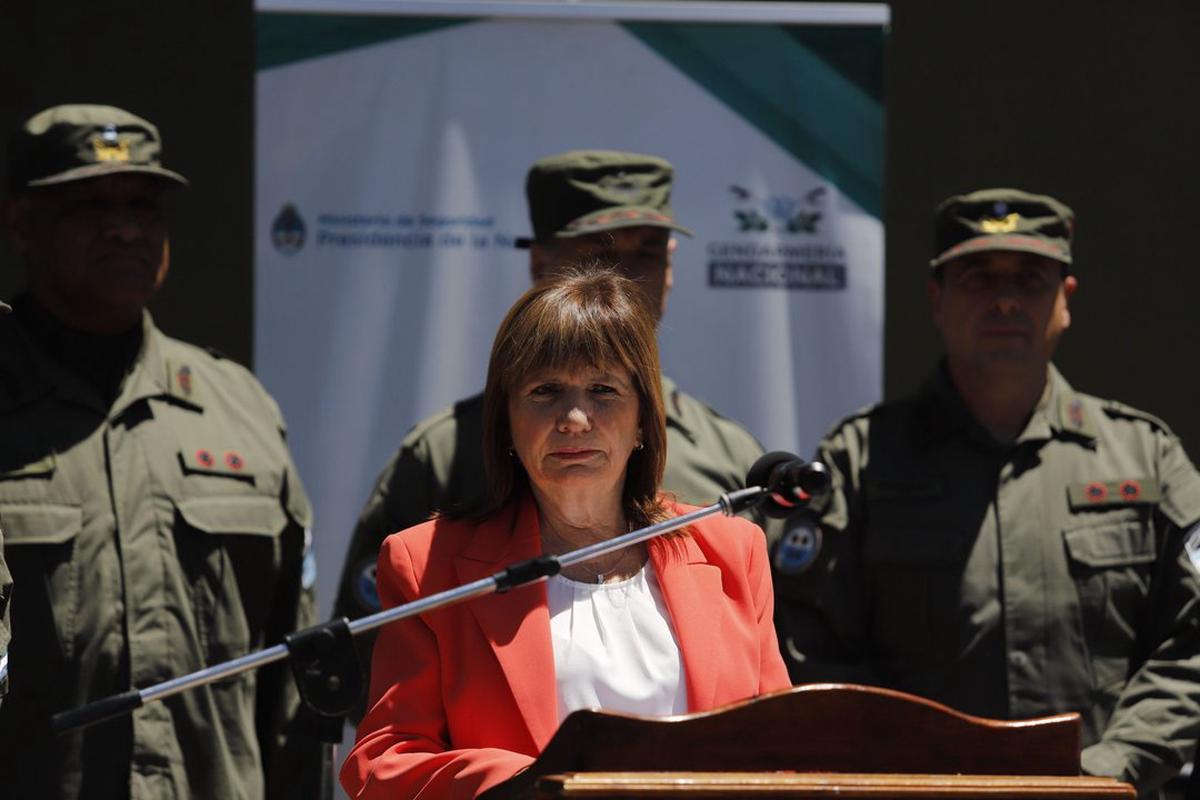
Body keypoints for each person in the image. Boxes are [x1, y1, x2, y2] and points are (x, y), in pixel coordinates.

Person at [774, 188, 1200, 795]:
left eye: (1029, 279)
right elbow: (806, 643)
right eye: (978, 278)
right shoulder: (860, 459)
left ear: (1065, 300)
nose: (1004, 299)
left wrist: (1111, 768)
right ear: (936, 298)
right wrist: (906, 774)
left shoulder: (1145, 456)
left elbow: (1192, 642)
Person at [340, 268, 789, 799]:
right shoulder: (427, 565)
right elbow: (384, 763)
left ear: (643, 420)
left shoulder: (733, 552)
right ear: (506, 422)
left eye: (603, 390)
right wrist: (526, 787)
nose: (574, 418)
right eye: (545, 391)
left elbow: (785, 752)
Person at [333, 150, 765, 680]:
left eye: (647, 254)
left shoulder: (731, 457)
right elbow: (369, 663)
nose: (624, 279)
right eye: (600, 255)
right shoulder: (443, 456)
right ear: (540, 261)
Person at [0, 104, 319, 798]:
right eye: (90, 207)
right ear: (20, 224)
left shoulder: (238, 406)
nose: (124, 228)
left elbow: (291, 673)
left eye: (143, 206)